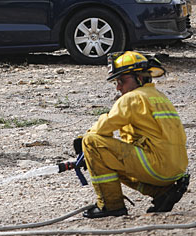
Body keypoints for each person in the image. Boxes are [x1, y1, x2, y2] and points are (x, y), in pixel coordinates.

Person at [80, 51, 189, 218]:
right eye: (116, 82)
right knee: (111, 158)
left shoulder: (133, 98)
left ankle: (111, 205)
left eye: (122, 81)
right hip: (176, 168)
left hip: (155, 166)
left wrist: (82, 145)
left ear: (139, 77)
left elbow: (102, 129)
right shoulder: (159, 97)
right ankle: (162, 193)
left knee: (91, 142)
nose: (118, 87)